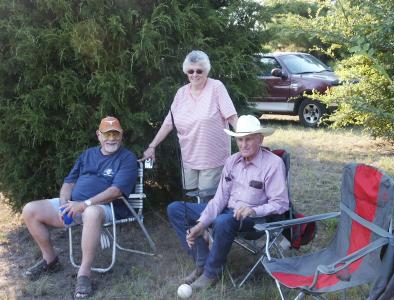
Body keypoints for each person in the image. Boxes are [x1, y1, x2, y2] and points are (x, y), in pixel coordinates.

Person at [167, 115, 289, 290]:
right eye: (240, 139)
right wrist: (201, 225)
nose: (243, 144)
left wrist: (253, 210)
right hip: (227, 211)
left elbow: (281, 204)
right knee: (176, 209)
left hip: (254, 219)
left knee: (222, 221)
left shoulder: (273, 164)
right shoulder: (232, 161)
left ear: (260, 139)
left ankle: (211, 273)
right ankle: (202, 262)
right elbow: (219, 199)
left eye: (248, 139)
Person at [21, 116, 137, 299]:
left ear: (121, 135)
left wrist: (84, 204)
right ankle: (50, 260)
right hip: (74, 204)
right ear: (99, 135)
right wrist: (63, 206)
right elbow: (68, 183)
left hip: (106, 207)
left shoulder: (127, 158)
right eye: (107, 134)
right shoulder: (87, 155)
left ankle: (84, 274)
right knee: (30, 209)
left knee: (90, 213)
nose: (112, 139)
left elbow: (116, 191)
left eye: (116, 134)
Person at [141, 50, 238, 191]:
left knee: (207, 201)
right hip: (189, 157)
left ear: (206, 71)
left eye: (199, 71)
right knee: (191, 197)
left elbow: (232, 117)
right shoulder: (181, 93)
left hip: (212, 158)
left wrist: (246, 140)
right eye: (190, 71)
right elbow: (169, 122)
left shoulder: (216, 87)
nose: (194, 75)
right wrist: (152, 146)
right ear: (186, 72)